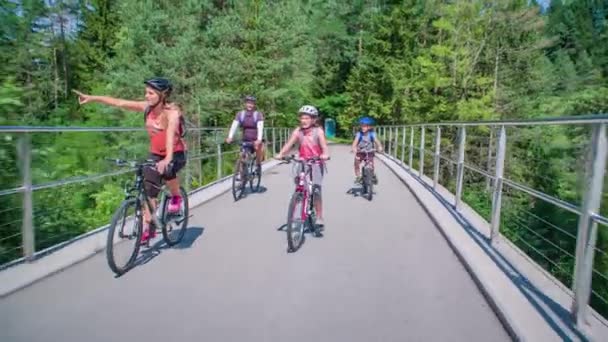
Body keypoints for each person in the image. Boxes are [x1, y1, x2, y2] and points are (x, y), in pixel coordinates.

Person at [73, 77, 187, 243]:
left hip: (176, 152)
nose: (146, 96)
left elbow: (170, 136)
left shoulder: (172, 113)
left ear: (162, 95)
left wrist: (167, 159)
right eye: (146, 92)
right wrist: (92, 98)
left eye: (150, 93)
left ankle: (176, 196)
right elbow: (119, 103)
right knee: (149, 190)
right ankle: (149, 226)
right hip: (155, 153)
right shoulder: (147, 108)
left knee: (168, 169)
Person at [276, 105, 330, 227]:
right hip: (301, 160)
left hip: (316, 162)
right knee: (298, 180)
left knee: (316, 189)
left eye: (307, 118)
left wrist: (325, 154)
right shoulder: (298, 131)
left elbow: (324, 146)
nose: (304, 120)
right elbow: (289, 144)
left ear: (313, 120)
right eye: (302, 118)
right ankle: (300, 195)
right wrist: (281, 154)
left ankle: (319, 215)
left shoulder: (318, 131)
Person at [225, 95, 265, 174]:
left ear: (254, 105)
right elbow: (234, 125)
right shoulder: (241, 114)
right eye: (248, 103)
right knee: (241, 155)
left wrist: (259, 139)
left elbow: (260, 127)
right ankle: (242, 174)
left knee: (258, 149)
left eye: (252, 103)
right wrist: (230, 137)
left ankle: (258, 165)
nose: (250, 105)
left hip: (255, 139)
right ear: (245, 104)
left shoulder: (257, 115)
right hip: (245, 139)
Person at [352, 116, 383, 184]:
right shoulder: (359, 134)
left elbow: (376, 141)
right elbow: (355, 143)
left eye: (365, 126)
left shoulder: (372, 134)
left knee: (371, 165)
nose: (363, 127)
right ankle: (358, 176)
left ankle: (372, 175)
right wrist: (354, 149)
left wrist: (379, 147)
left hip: (369, 151)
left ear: (369, 127)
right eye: (362, 126)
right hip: (360, 151)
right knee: (356, 163)